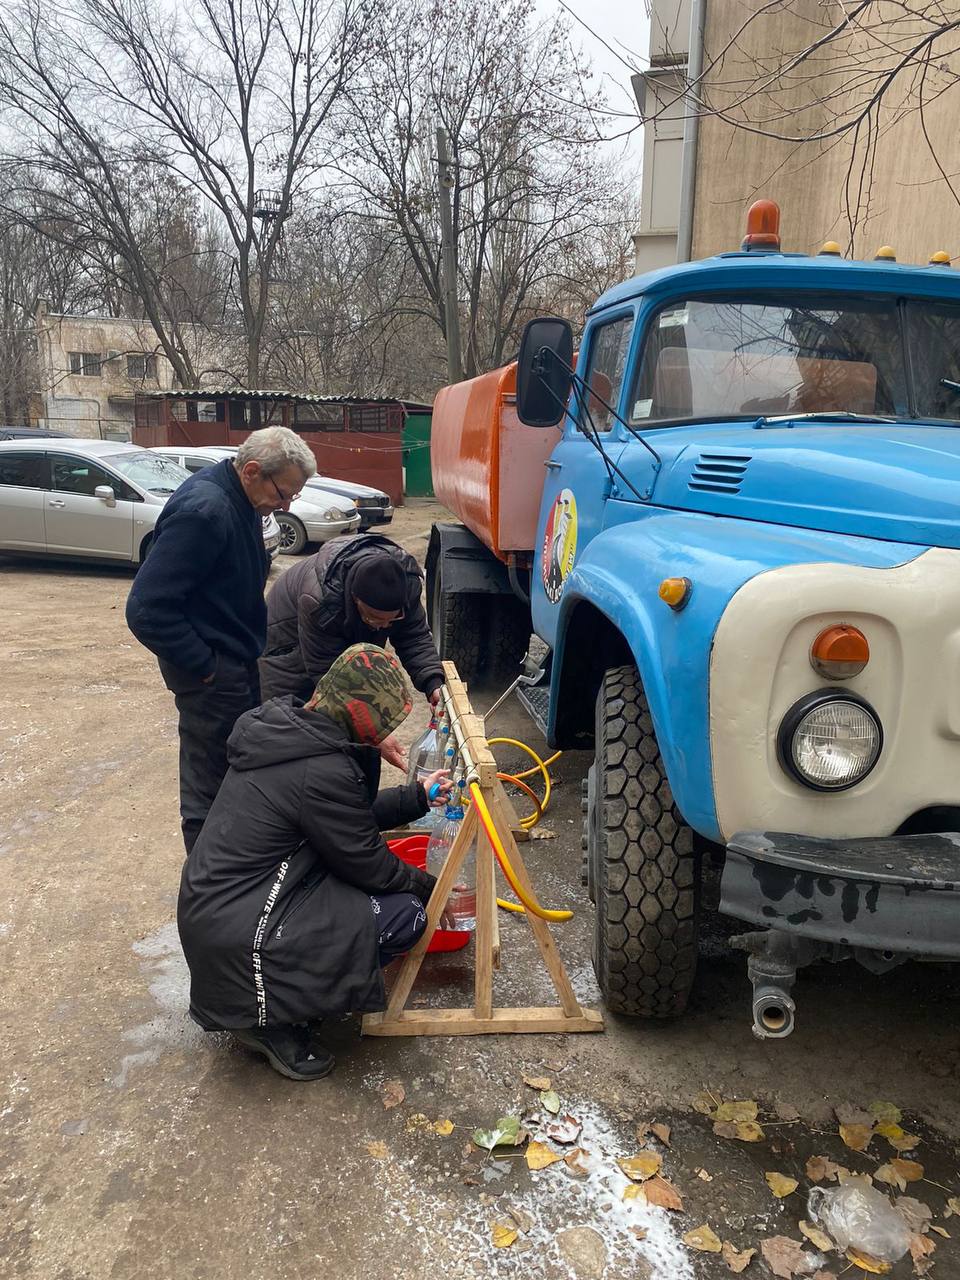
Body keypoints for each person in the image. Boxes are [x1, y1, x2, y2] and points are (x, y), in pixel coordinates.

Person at [177, 644, 452, 1081]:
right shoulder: (320, 767)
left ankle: (289, 996)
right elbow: (370, 864)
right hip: (240, 935)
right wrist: (433, 890)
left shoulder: (286, 732)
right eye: (383, 721)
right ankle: (268, 1022)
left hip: (220, 914)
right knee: (405, 914)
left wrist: (416, 796)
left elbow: (342, 819)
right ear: (363, 716)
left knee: (369, 897)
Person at [126, 426, 317, 854]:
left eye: (293, 498)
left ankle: (230, 875)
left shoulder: (241, 497)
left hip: (233, 663)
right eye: (284, 493)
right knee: (208, 791)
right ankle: (207, 896)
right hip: (211, 675)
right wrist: (205, 665)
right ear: (252, 470)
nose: (286, 506)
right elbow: (145, 608)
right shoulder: (205, 511)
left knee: (235, 777)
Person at [259, 532, 445, 769]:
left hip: (334, 632)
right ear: (356, 601)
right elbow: (329, 677)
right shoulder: (319, 600)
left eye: (393, 619)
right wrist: (373, 731)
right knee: (299, 731)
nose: (385, 627)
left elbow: (414, 635)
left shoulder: (403, 584)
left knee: (352, 739)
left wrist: (433, 682)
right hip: (288, 649)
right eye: (376, 620)